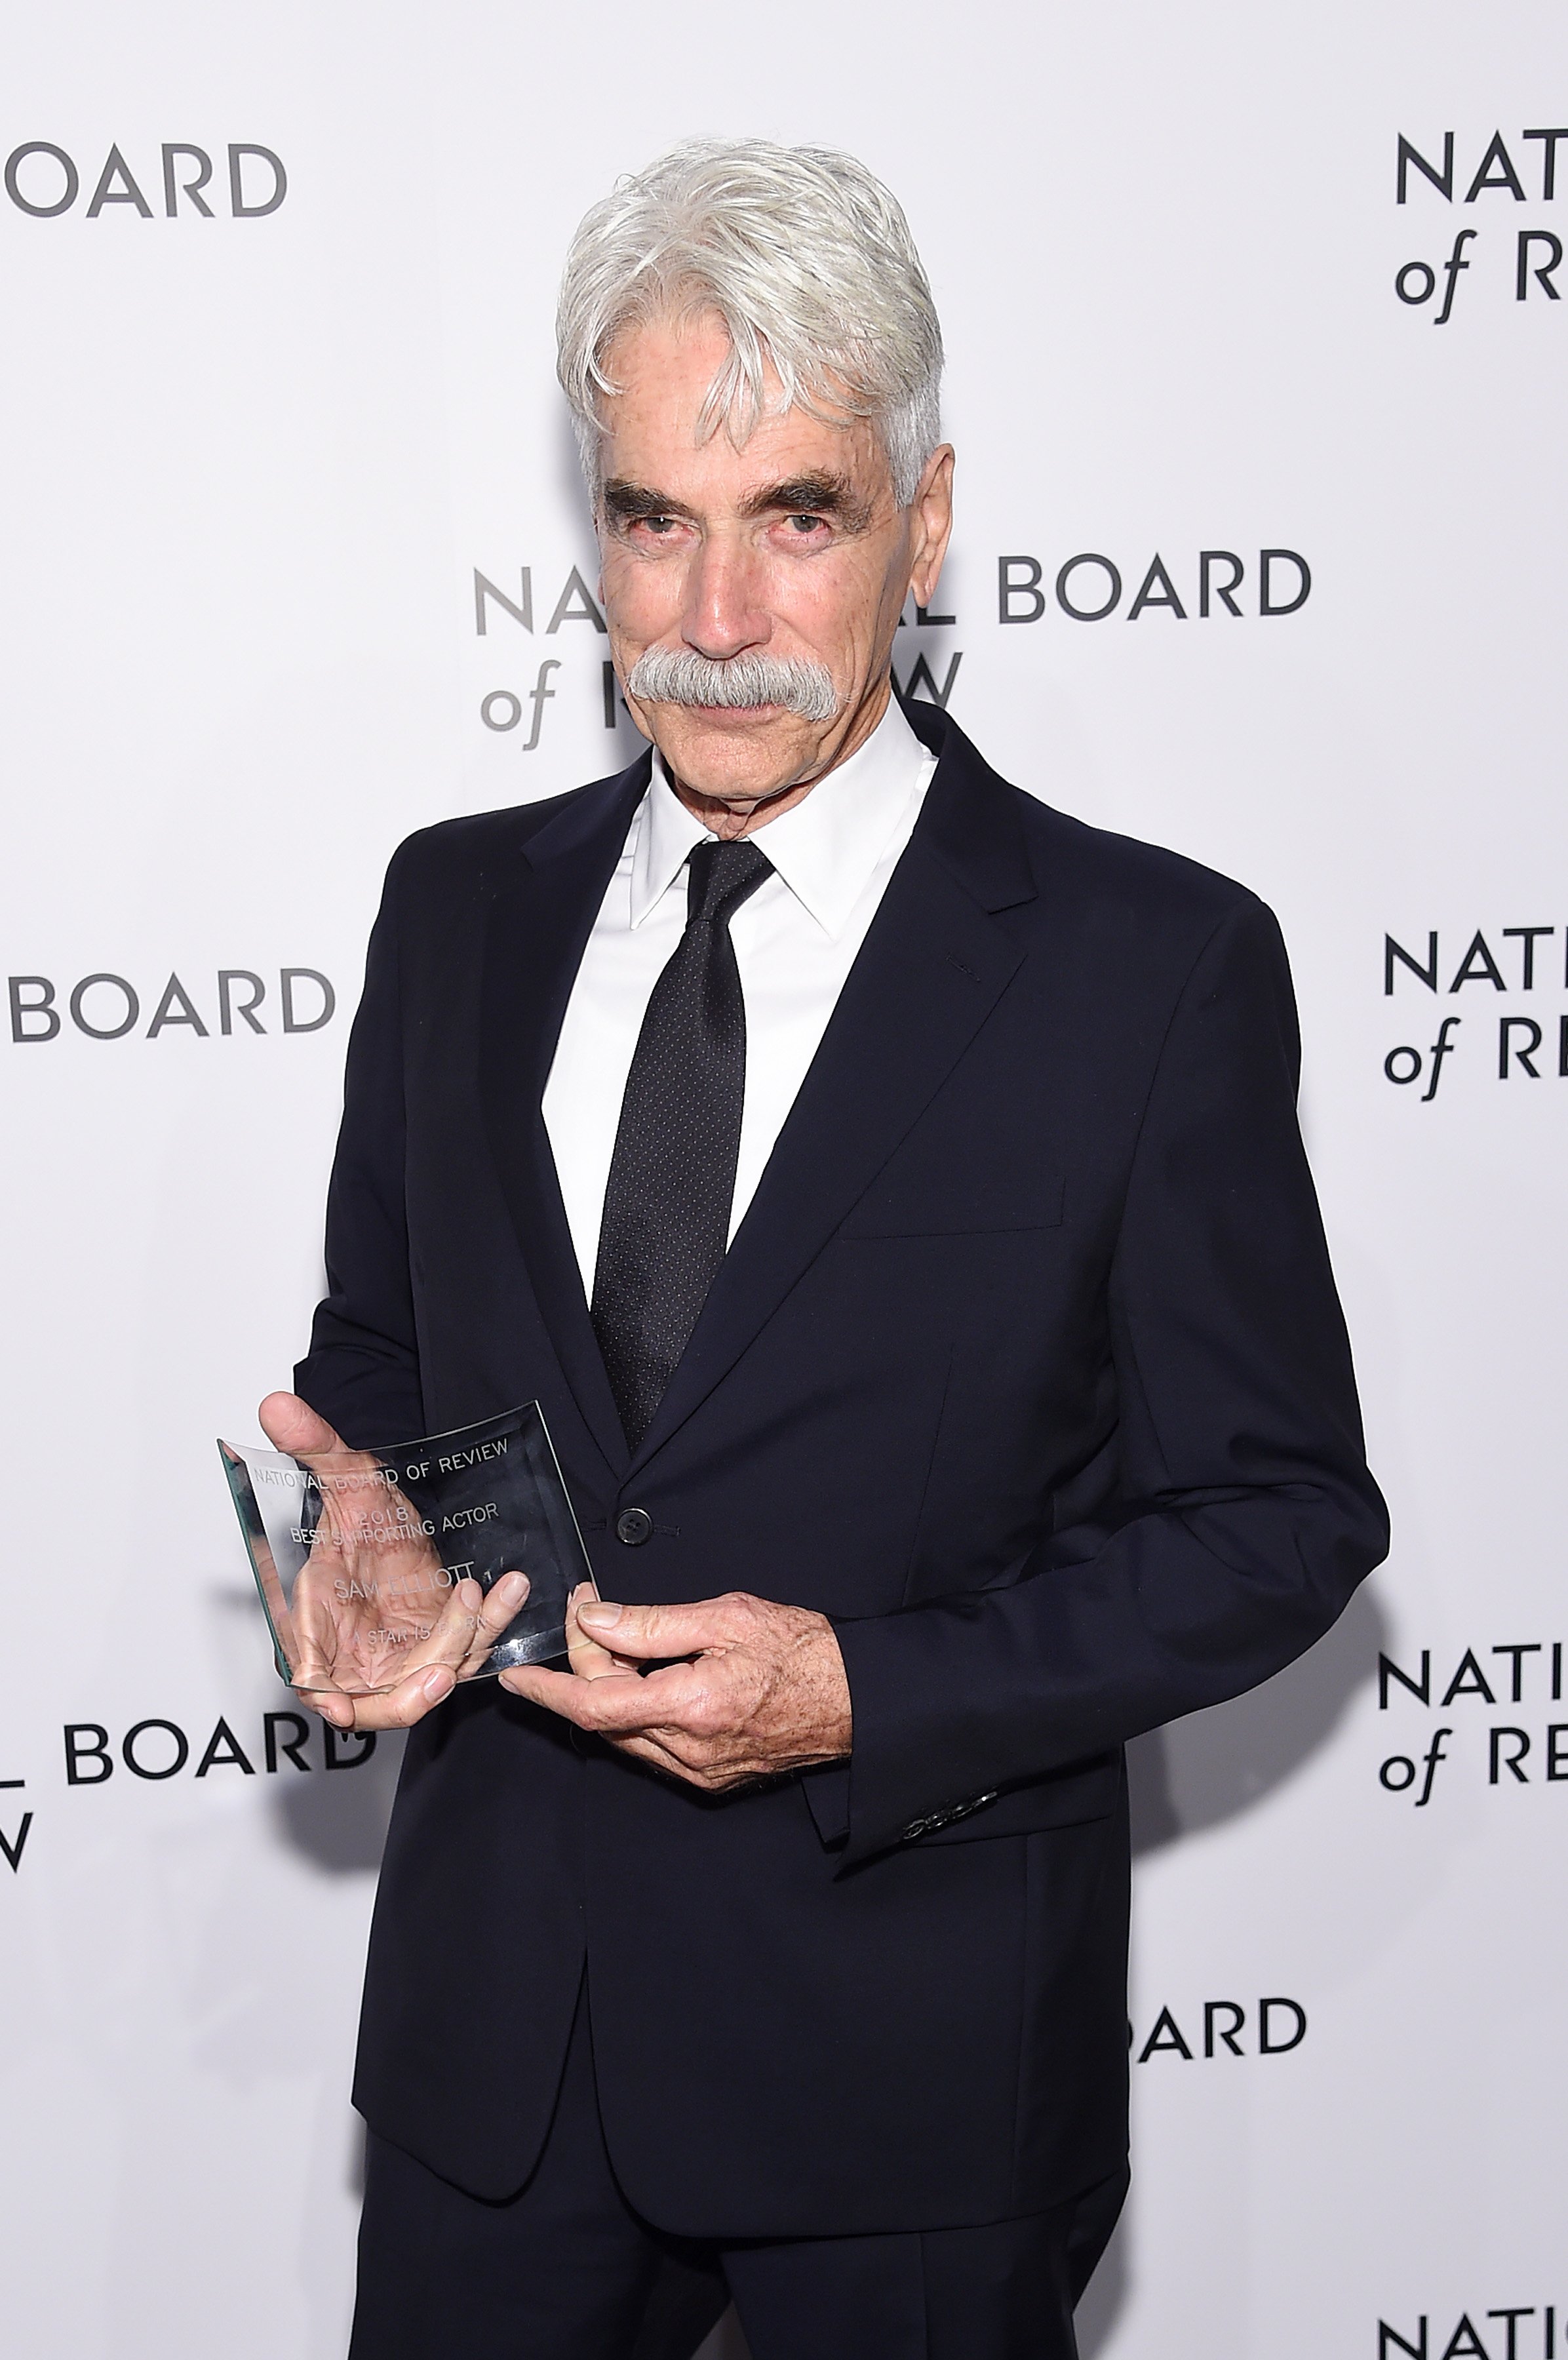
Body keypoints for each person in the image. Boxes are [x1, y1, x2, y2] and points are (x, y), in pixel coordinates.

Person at [261, 138, 1388, 2360]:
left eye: (800, 516)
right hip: (503, 2073)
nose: (712, 621)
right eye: (655, 521)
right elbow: (382, 1354)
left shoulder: (1144, 968)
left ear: (927, 520)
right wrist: (369, 1530)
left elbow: (1279, 1516)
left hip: (919, 2088)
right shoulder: (456, 910)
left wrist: (870, 1695)